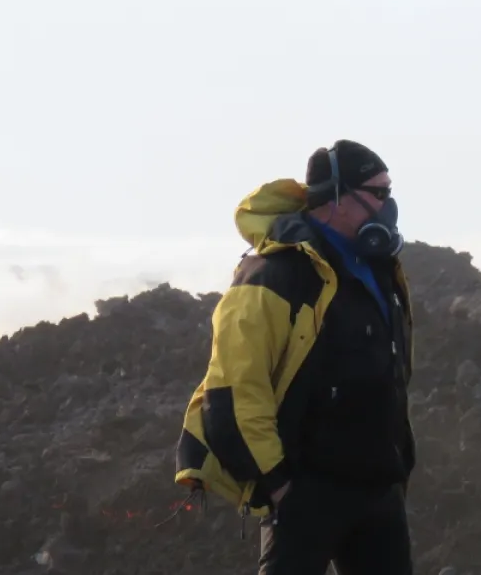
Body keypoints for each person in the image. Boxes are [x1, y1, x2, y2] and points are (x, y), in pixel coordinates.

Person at [171, 139, 416, 575]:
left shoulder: (379, 269)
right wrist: (280, 485)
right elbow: (234, 392)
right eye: (378, 192)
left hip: (379, 490)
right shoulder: (272, 275)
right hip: (306, 491)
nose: (388, 204)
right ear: (337, 196)